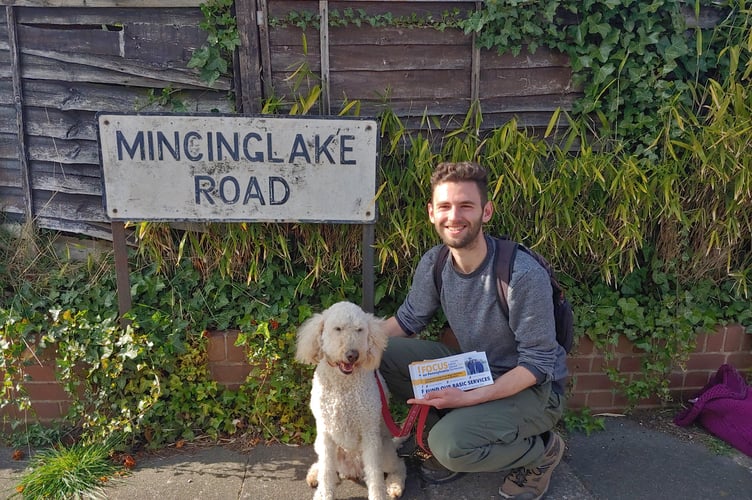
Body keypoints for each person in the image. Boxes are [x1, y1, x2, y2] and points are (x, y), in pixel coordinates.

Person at [380, 161, 568, 500]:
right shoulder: (436, 262)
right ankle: (466, 427)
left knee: (447, 446)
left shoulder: (520, 274)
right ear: (432, 213)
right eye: (445, 207)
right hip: (475, 369)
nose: (455, 216)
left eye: (466, 205)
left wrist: (466, 398)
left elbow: (538, 364)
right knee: (378, 352)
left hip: (534, 390)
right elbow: (408, 320)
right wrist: (348, 345)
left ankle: (542, 451)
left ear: (486, 211)